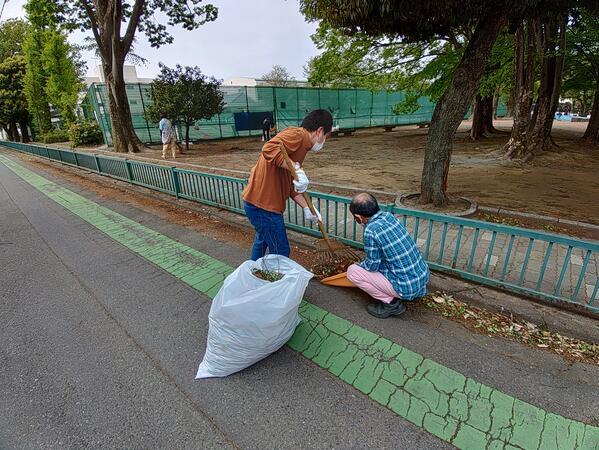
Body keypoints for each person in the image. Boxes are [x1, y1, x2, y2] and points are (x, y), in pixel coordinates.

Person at [243, 109, 333, 261]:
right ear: (320, 131)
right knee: (281, 250)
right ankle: (277, 282)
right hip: (263, 207)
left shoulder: (302, 146)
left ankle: (253, 273)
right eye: (327, 136)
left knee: (262, 240)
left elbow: (290, 184)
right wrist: (296, 168)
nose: (324, 141)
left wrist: (306, 207)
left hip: (257, 203)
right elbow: (268, 148)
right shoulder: (297, 135)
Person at [346, 193, 430, 319]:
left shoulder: (371, 230)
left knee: (352, 272)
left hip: (405, 287)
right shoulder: (389, 216)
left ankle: (391, 304)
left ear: (358, 217)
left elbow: (372, 266)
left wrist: (360, 265)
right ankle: (413, 294)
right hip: (422, 277)